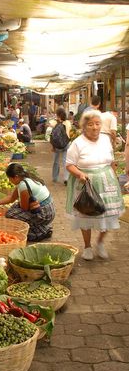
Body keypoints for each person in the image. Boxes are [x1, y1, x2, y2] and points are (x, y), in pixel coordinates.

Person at [65, 110, 124, 260]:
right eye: (90, 124)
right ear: (84, 126)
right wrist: (79, 174)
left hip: (106, 182)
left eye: (98, 123)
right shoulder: (77, 143)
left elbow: (111, 161)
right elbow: (69, 164)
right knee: (85, 214)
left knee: (108, 214)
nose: (95, 127)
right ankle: (87, 247)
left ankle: (100, 243)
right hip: (86, 183)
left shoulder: (105, 139)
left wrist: (114, 176)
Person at [0, 163, 55, 241]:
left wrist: (18, 204)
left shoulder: (23, 185)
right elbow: (12, 198)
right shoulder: (26, 178)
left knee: (10, 214)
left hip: (45, 213)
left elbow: (24, 208)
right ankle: (42, 228)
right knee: (14, 207)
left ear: (16, 177)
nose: (9, 181)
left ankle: (39, 233)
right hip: (48, 208)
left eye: (10, 178)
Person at [51, 108, 71, 185]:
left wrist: (53, 146)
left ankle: (55, 178)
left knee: (56, 161)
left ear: (58, 115)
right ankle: (66, 178)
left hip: (57, 146)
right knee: (65, 161)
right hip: (66, 144)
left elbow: (52, 135)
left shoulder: (54, 123)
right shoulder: (68, 123)